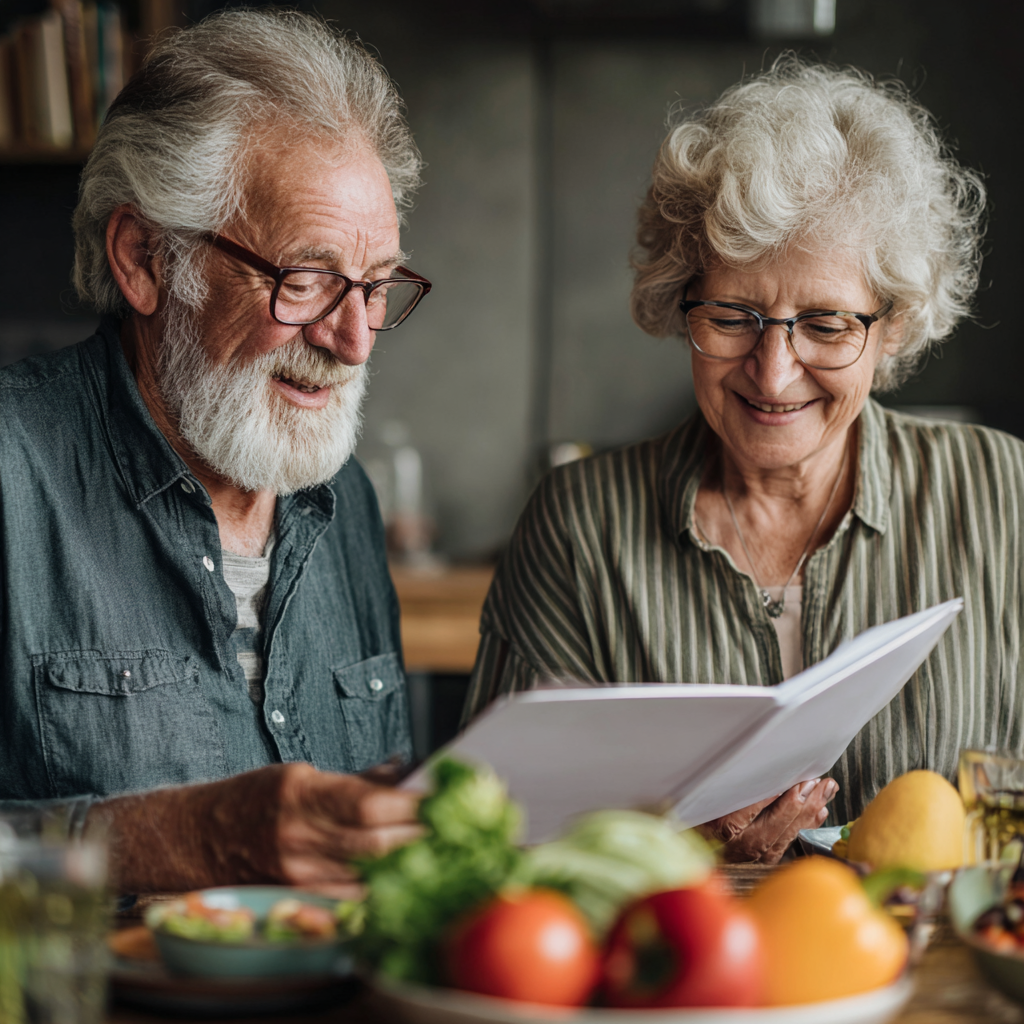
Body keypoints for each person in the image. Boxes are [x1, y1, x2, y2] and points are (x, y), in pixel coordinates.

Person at [463, 58, 1013, 864]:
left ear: (890, 329)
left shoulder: (1006, 496)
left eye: (825, 324)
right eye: (733, 316)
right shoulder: (582, 525)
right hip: (672, 975)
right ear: (681, 298)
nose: (773, 371)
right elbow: (486, 839)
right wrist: (661, 844)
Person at [0, 9, 433, 893]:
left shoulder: (344, 501)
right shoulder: (12, 471)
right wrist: (178, 840)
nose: (354, 340)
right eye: (304, 280)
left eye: (377, 286)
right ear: (145, 259)